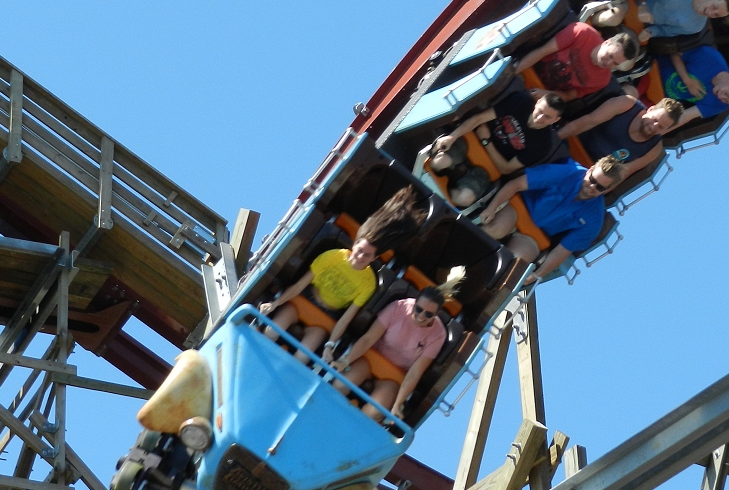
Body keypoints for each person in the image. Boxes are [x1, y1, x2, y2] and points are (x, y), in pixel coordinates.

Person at [260, 187, 428, 358]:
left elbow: (346, 318)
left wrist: (329, 346)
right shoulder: (332, 257)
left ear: (374, 258)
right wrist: (275, 304)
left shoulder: (369, 282)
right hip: (304, 301)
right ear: (354, 245)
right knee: (271, 332)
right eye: (360, 250)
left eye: (367, 254)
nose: (361, 256)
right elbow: (299, 286)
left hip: (325, 317)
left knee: (303, 356)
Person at [477, 155, 627, 283]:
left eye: (600, 187)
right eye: (592, 180)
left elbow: (563, 250)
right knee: (494, 230)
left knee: (511, 268)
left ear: (608, 189)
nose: (592, 187)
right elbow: (517, 184)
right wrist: (491, 208)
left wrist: (538, 274)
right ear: (590, 169)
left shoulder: (594, 218)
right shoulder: (567, 172)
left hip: (534, 236)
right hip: (519, 210)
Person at [331, 279, 460, 421]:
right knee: (340, 385)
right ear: (414, 303)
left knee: (374, 413)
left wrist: (398, 405)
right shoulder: (399, 307)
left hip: (393, 376)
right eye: (418, 309)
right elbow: (369, 338)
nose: (421, 316)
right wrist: (345, 361)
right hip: (369, 360)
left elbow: (415, 373)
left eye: (429, 314)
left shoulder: (438, 335)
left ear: (436, 315)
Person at [432, 89, 564, 176]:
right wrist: (452, 137)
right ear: (538, 102)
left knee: (463, 197)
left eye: (548, 117)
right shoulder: (521, 101)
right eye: (540, 111)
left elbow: (506, 169)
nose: (540, 118)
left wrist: (486, 142)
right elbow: (479, 119)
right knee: (438, 163)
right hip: (470, 141)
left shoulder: (544, 145)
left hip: (487, 167)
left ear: (556, 120)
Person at [558, 94, 682, 173]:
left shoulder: (653, 149)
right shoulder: (627, 105)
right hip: (570, 143)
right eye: (655, 120)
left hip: (584, 170)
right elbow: (588, 121)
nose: (654, 126)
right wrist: (556, 137)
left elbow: (620, 174)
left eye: (661, 127)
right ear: (650, 109)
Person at [516, 22, 639, 101]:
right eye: (610, 55)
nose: (608, 63)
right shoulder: (583, 32)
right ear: (606, 42)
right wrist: (513, 72)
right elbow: (542, 51)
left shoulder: (602, 80)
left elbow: (569, 96)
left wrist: (547, 94)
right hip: (529, 69)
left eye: (615, 63)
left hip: (542, 92)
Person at [660, 44, 729, 126]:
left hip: (659, 98)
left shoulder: (721, 106)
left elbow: (685, 116)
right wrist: (687, 80)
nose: (720, 97)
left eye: (726, 100)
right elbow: (674, 52)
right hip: (655, 68)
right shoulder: (710, 57)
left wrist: (656, 133)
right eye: (726, 94)